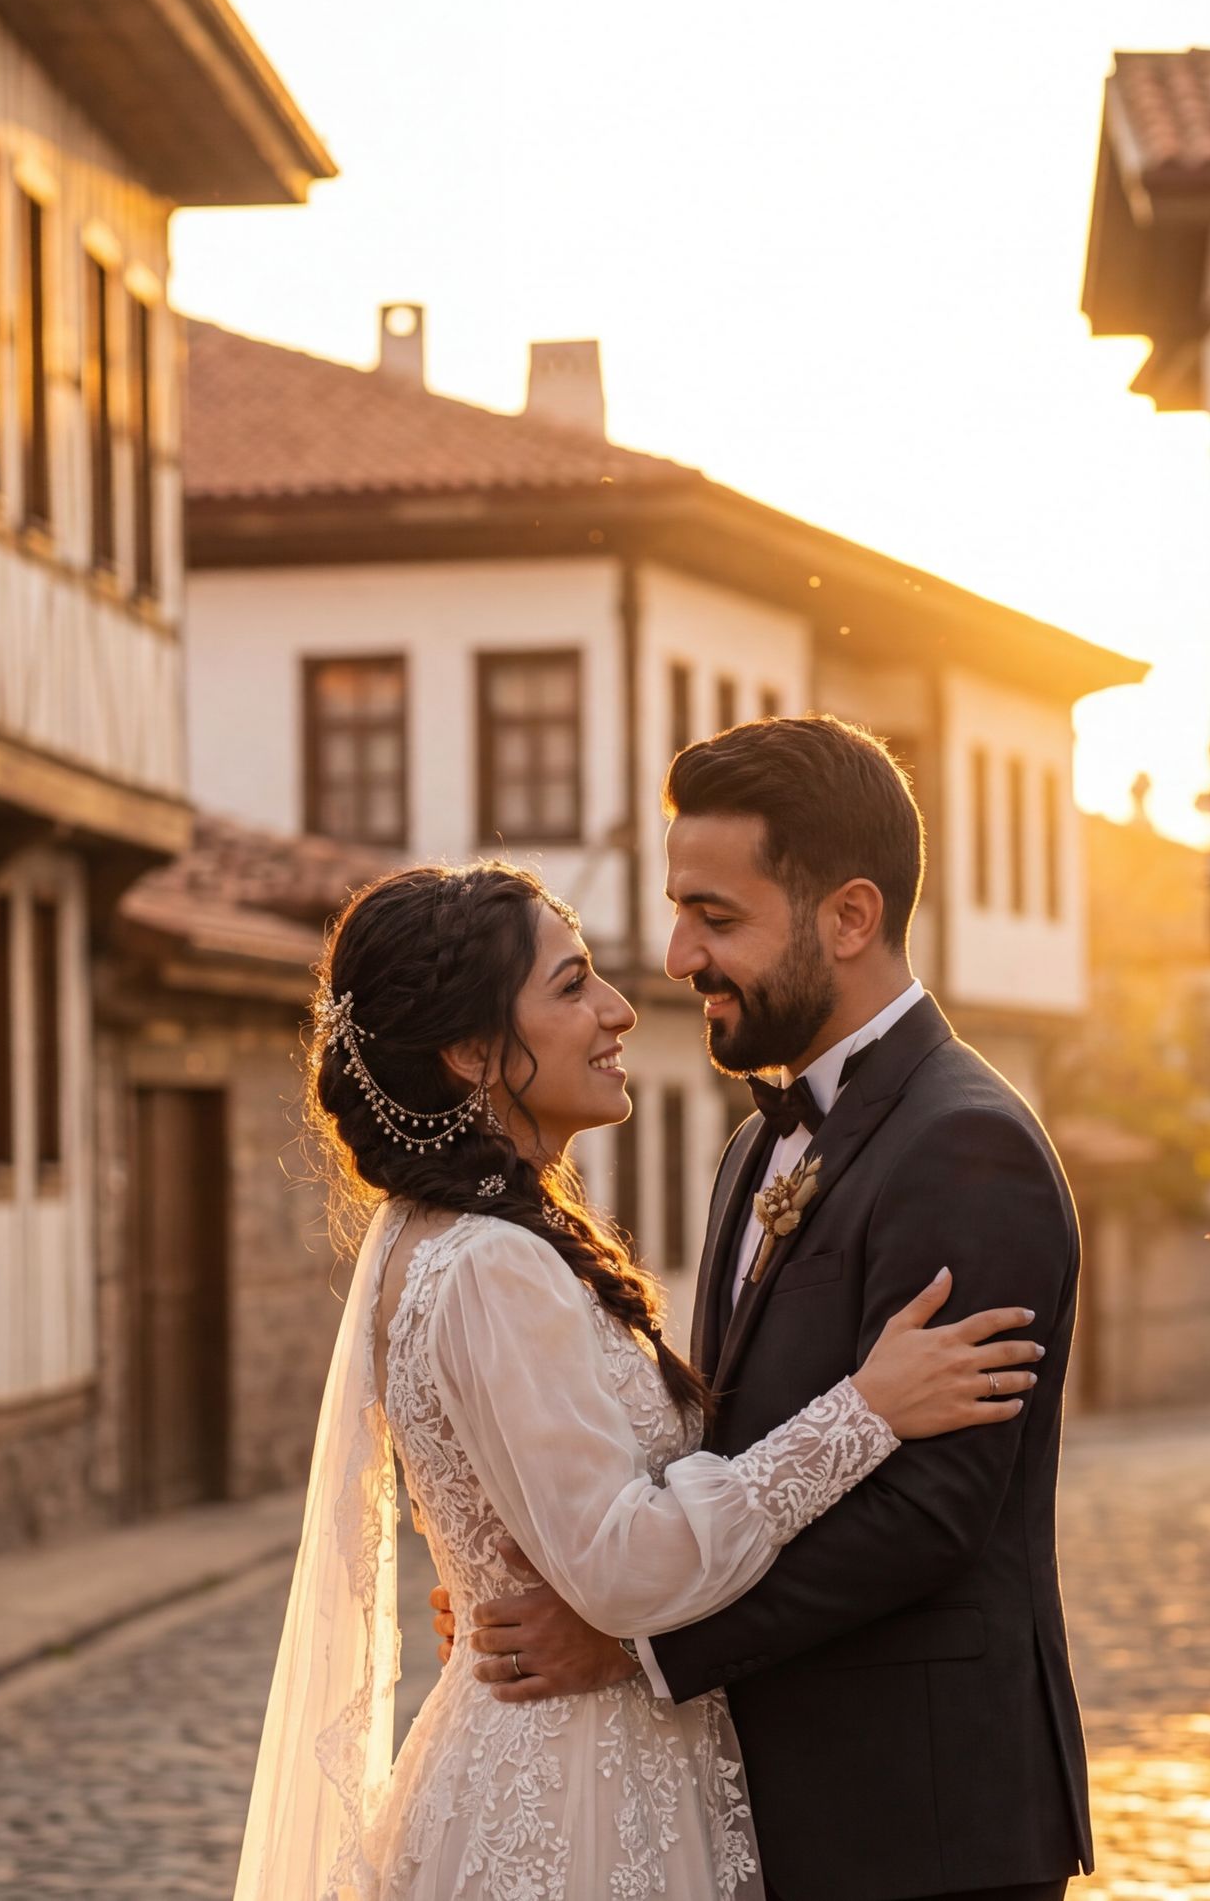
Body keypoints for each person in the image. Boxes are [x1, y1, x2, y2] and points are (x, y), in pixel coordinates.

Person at [232, 860, 1044, 1901]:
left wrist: (505, 1572)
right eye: (572, 986)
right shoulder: (491, 1261)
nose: (620, 1009)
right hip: (574, 1794)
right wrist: (866, 1411)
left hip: (564, 1749)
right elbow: (620, 1566)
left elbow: (551, 1517)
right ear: (474, 1052)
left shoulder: (432, 1241)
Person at [438, 717, 1093, 1901]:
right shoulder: (755, 1147)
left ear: (849, 917)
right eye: (682, 911)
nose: (680, 954)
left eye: (718, 917)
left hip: (921, 1825)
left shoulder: (968, 1146)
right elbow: (730, 1447)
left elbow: (931, 1516)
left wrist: (635, 1645)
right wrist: (556, 1555)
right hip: (773, 1810)